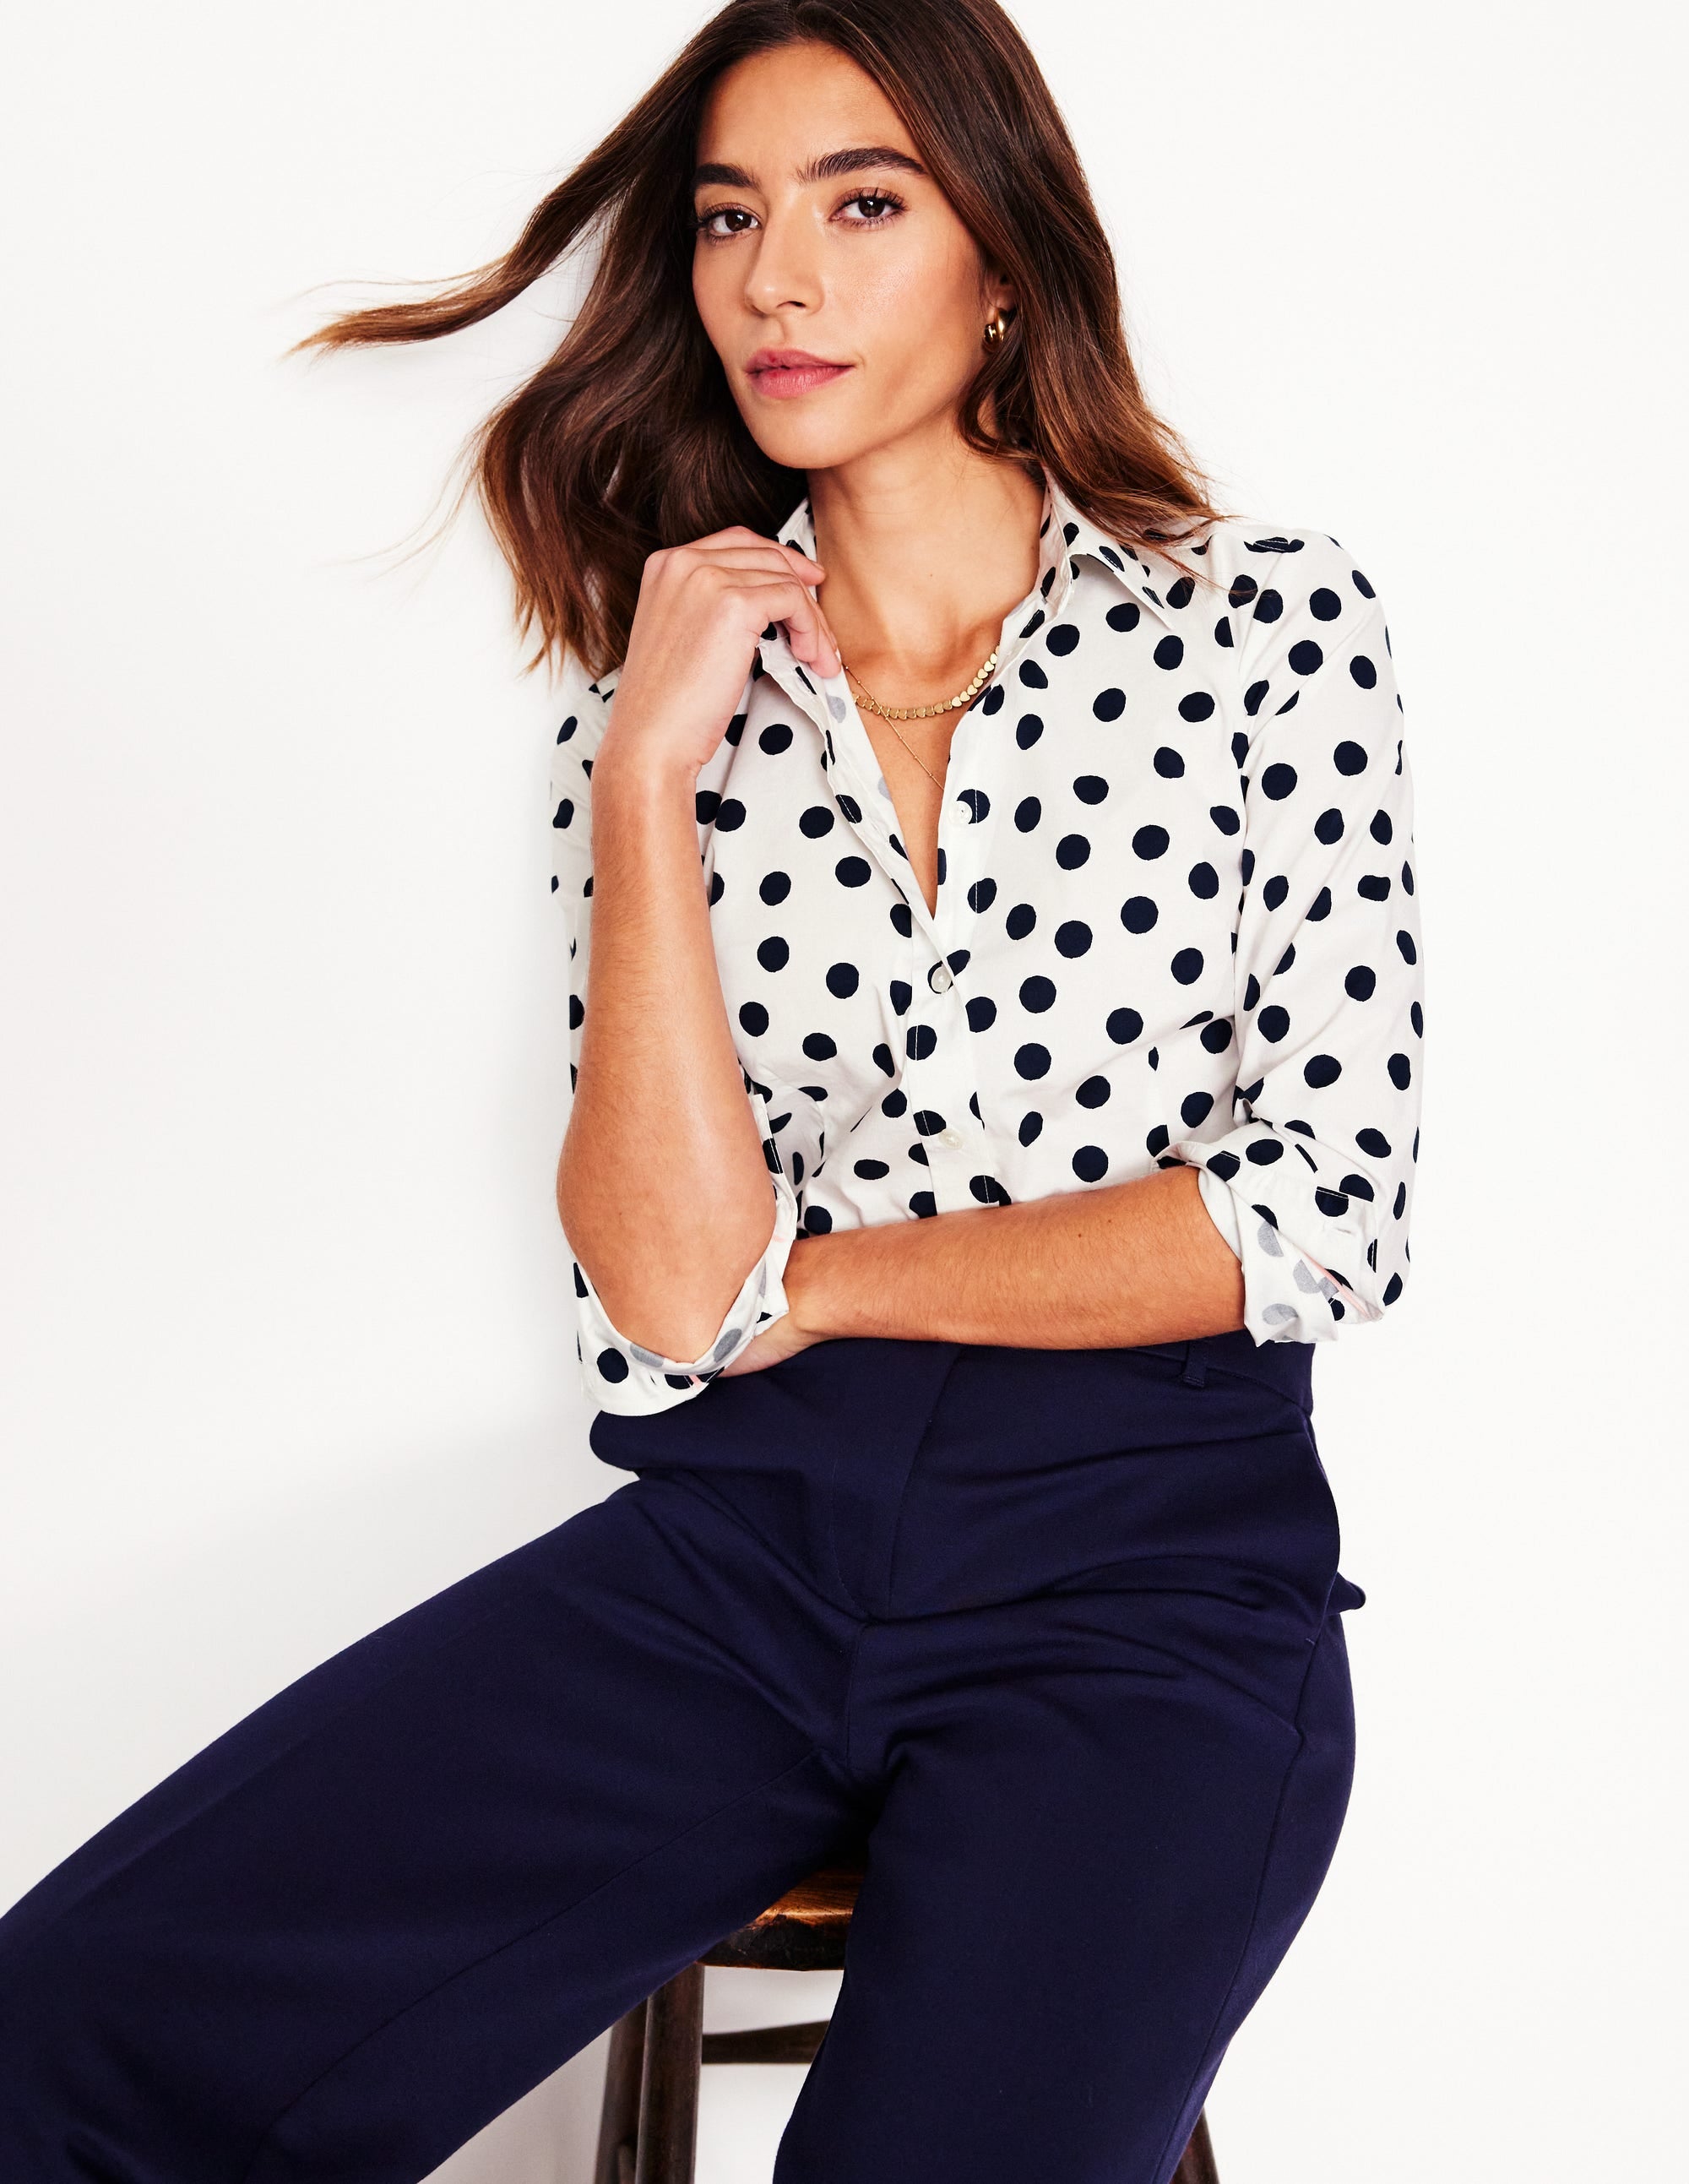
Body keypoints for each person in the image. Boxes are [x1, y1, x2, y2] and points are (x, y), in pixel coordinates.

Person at [0, 3, 1423, 2179]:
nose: (781, 277)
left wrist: (820, 1284)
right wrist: (651, 776)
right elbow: (672, 1298)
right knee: (69, 2026)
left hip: (1151, 1584)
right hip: (746, 1558)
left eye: (866, 205)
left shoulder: (1268, 630)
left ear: (1007, 262)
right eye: (731, 217)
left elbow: (1321, 1211)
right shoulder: (649, 715)